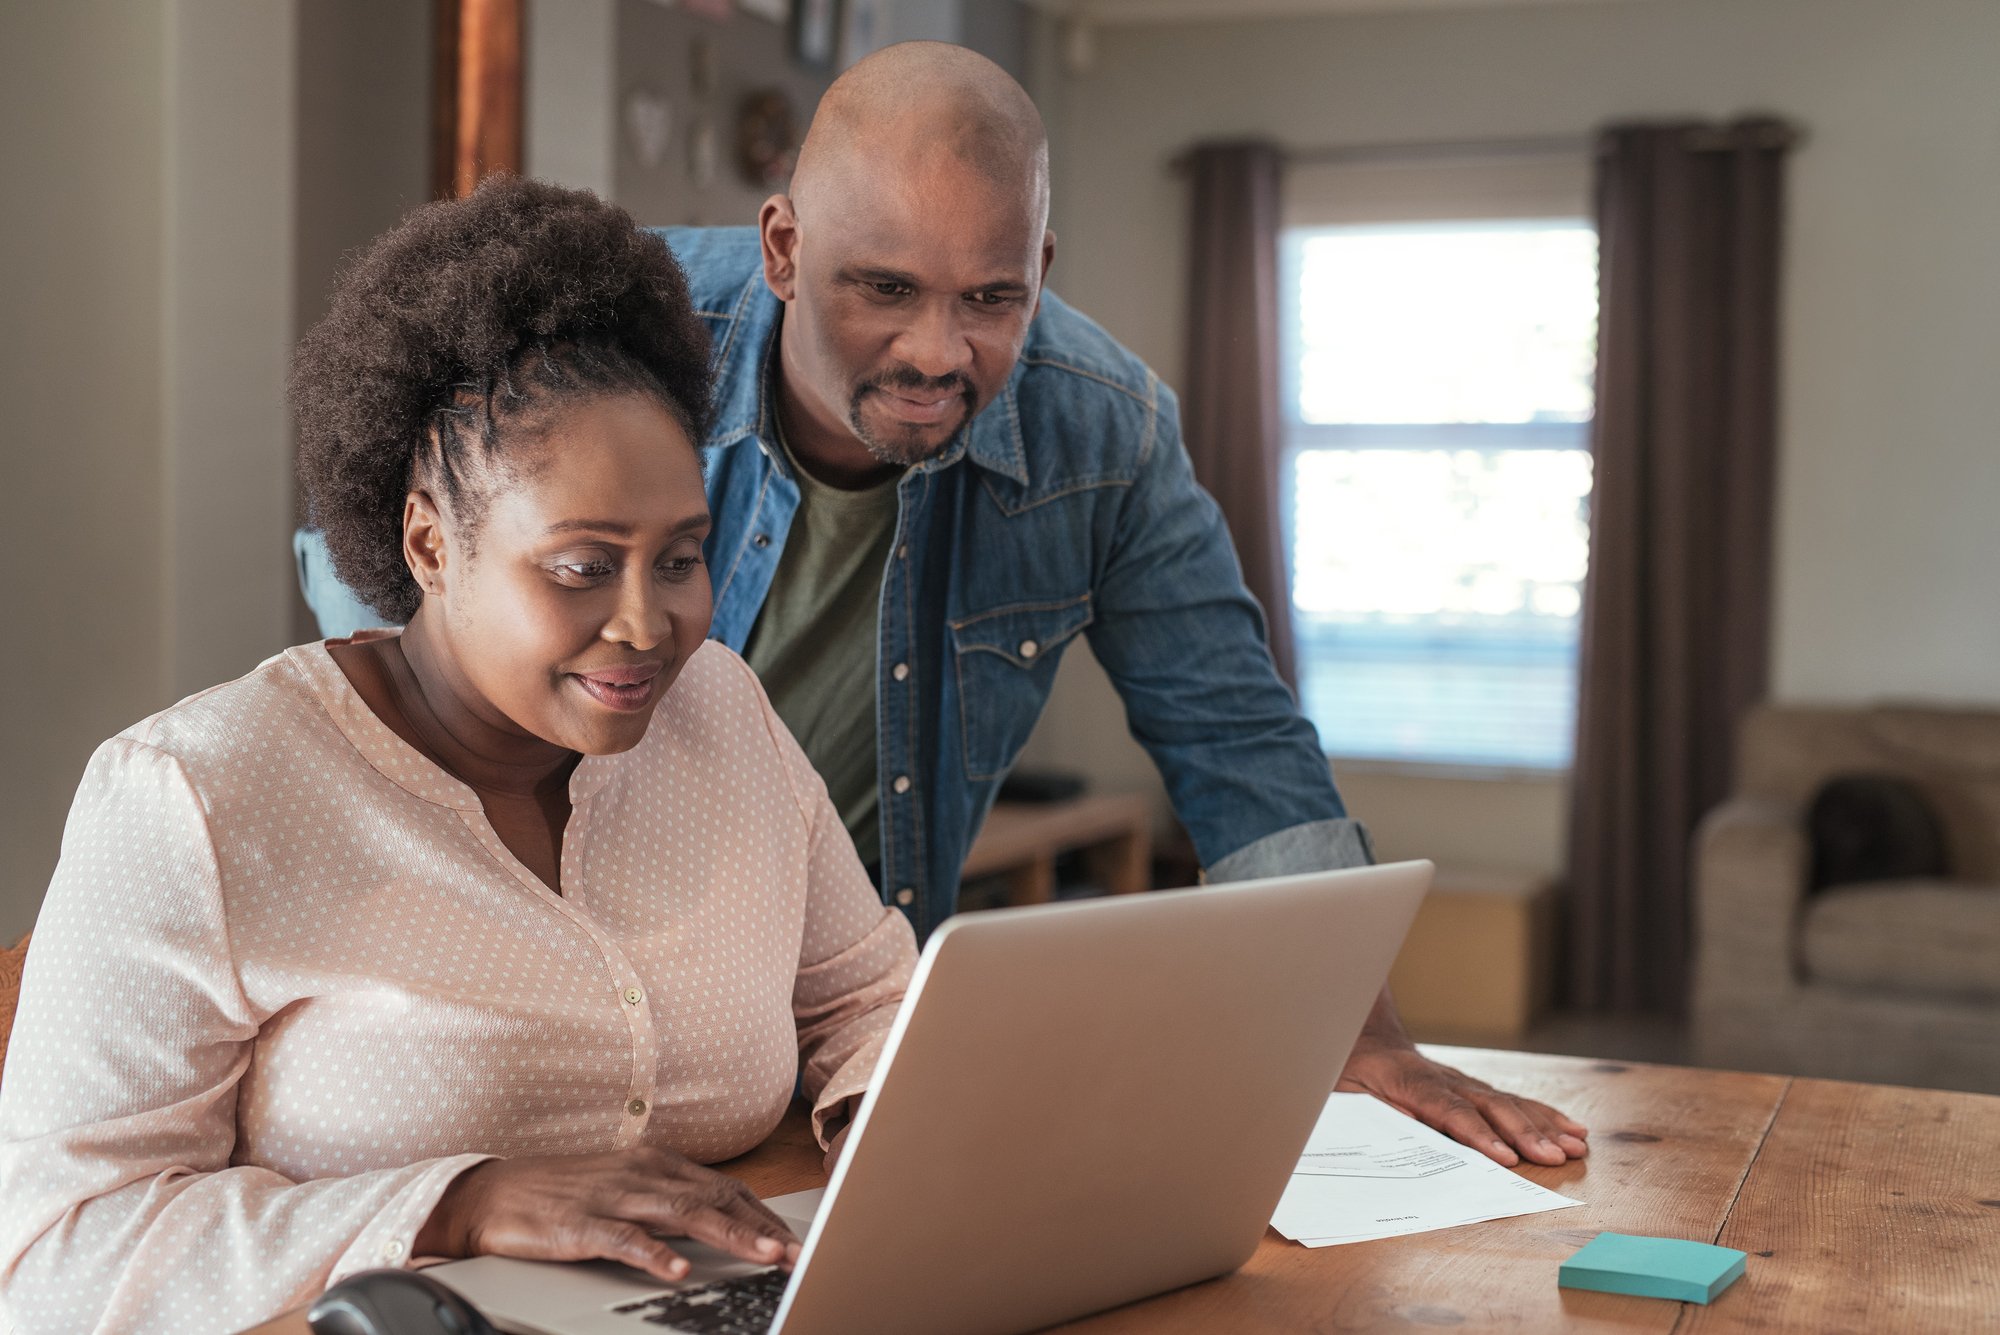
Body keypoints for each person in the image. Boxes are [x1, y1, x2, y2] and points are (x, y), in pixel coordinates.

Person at [299, 42, 1588, 1169]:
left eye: (990, 298)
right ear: (785, 248)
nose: (934, 352)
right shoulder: (607, 352)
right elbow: (386, 607)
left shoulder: (1105, 431)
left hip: (846, 1010)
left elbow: (1236, 743)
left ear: (1039, 265)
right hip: (550, 978)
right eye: (883, 290)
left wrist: (1355, 1037)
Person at [0, 178, 917, 1335]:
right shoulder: (193, 796)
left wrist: (901, 1121)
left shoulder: (720, 711)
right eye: (583, 567)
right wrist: (454, 1204)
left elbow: (869, 993)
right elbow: (52, 1259)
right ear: (429, 540)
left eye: (680, 559)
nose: (649, 625)